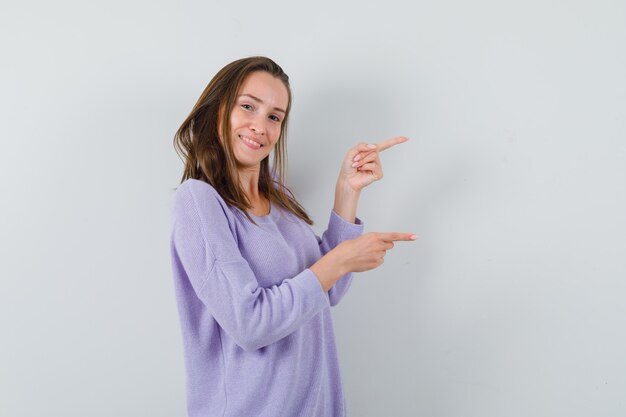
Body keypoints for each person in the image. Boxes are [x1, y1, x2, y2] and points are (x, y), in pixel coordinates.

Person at [170, 56, 416, 417]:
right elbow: (250, 323)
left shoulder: (279, 199)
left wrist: (347, 190)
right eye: (248, 106)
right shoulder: (198, 200)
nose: (260, 126)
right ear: (218, 109)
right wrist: (342, 259)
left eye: (274, 116)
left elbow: (327, 290)